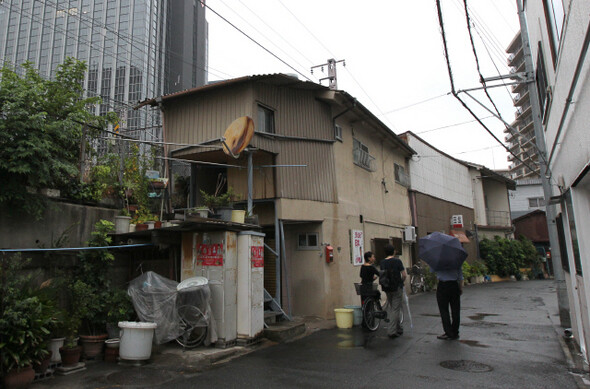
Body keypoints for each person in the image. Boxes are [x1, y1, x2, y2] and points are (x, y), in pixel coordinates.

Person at [380, 244, 406, 338]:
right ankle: (391, 331)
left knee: (394, 307)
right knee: (395, 309)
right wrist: (401, 282)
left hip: (387, 287)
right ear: (393, 251)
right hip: (396, 287)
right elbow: (404, 275)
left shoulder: (382, 262)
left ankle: (398, 328)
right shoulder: (397, 261)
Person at [435, 266, 463, 340]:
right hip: (454, 285)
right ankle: (455, 332)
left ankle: (448, 332)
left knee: (444, 310)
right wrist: (460, 288)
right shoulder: (456, 261)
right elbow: (460, 277)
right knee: (456, 310)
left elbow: (436, 274)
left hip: (442, 285)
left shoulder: (439, 262)